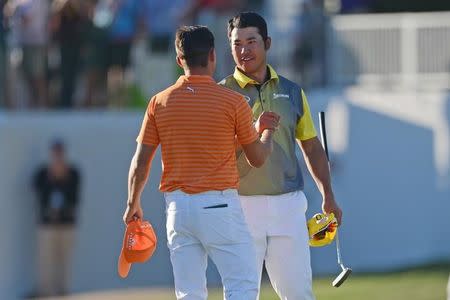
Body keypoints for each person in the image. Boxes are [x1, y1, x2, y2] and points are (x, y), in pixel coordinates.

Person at [122, 25, 279, 300]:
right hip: (220, 205)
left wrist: (132, 203)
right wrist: (265, 133)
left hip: (177, 210)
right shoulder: (233, 102)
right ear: (213, 55)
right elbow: (257, 158)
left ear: (179, 60)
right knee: (241, 287)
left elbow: (140, 163)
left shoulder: (159, 102)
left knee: (189, 293)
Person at [219, 12, 343, 300]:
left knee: (299, 293)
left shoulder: (292, 91)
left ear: (268, 43)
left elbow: (311, 148)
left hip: (288, 207)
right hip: (239, 207)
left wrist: (328, 194)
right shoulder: (222, 94)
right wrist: (253, 130)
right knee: (241, 294)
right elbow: (217, 152)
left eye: (252, 41)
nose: (244, 50)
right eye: (237, 43)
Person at [32, 139, 81, 297]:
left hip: (67, 224)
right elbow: (37, 191)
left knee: (65, 260)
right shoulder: (42, 173)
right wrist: (51, 177)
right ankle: (46, 292)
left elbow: (75, 198)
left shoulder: (73, 173)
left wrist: (63, 178)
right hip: (47, 224)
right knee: (46, 259)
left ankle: (64, 291)